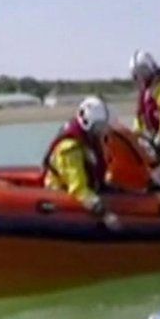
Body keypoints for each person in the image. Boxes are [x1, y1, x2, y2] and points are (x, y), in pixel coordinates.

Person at [42, 96, 121, 229]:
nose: (104, 131)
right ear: (89, 124)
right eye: (100, 127)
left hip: (89, 189)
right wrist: (102, 211)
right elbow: (78, 189)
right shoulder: (69, 148)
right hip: (62, 199)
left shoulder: (90, 140)